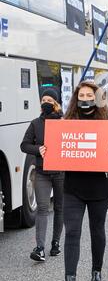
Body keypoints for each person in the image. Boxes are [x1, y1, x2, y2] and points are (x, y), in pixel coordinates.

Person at [55, 81, 108, 281]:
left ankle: (96, 271)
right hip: (73, 186)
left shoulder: (107, 123)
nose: (85, 98)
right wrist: (48, 150)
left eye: (89, 95)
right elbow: (57, 148)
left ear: (96, 98)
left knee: (97, 230)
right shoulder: (66, 123)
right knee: (72, 232)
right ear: (76, 98)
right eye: (82, 95)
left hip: (99, 187)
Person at [20, 88, 64, 262]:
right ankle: (40, 248)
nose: (45, 102)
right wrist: (38, 149)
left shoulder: (64, 122)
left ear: (56, 103)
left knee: (60, 208)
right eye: (43, 99)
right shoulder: (35, 123)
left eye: (49, 100)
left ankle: (56, 243)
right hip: (42, 173)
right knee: (43, 208)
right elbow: (24, 145)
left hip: (61, 172)